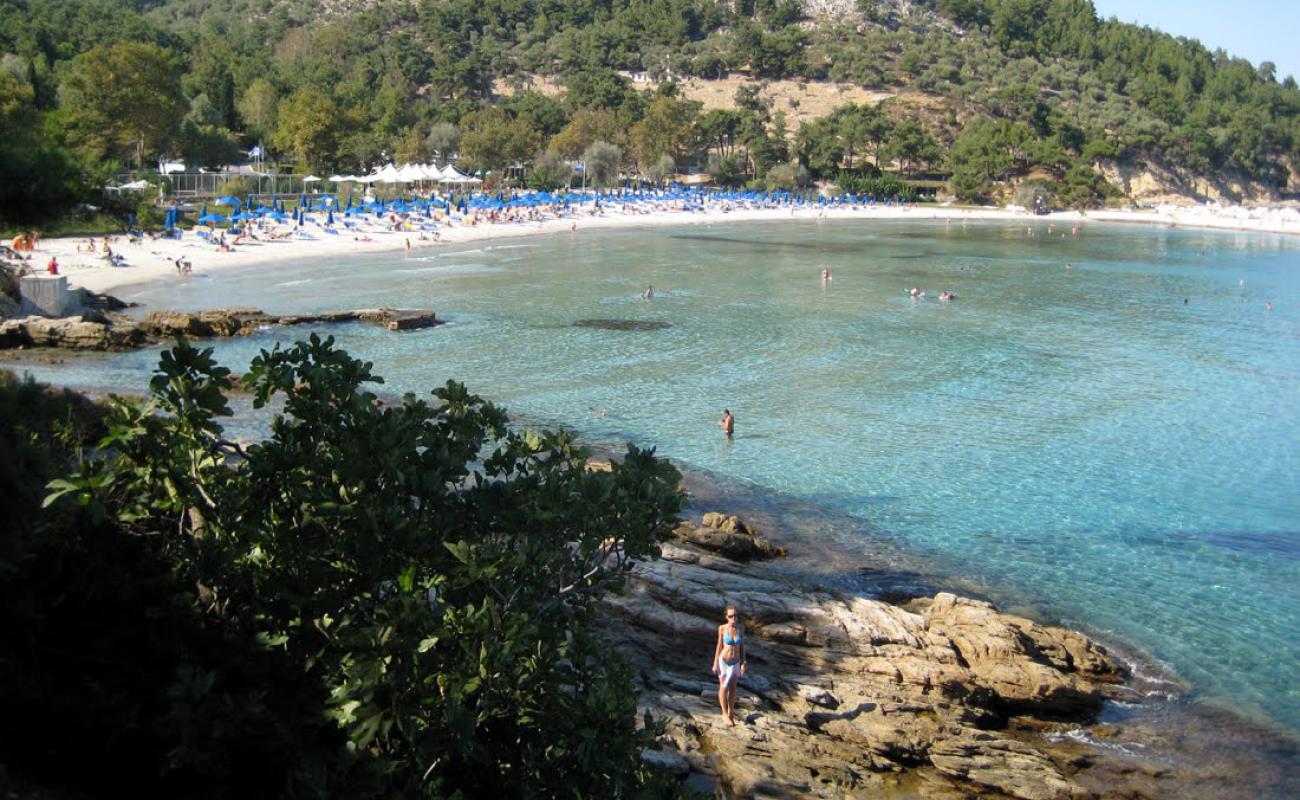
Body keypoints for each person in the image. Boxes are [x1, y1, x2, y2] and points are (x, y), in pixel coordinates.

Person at [711, 605, 747, 726]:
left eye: (735, 615)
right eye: (731, 616)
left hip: (735, 662)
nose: (733, 618)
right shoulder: (722, 628)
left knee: (732, 688)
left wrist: (743, 662)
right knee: (723, 686)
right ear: (726, 617)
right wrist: (715, 663)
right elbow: (719, 646)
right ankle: (724, 713)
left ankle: (731, 711)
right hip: (723, 661)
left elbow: (742, 647)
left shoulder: (740, 628)